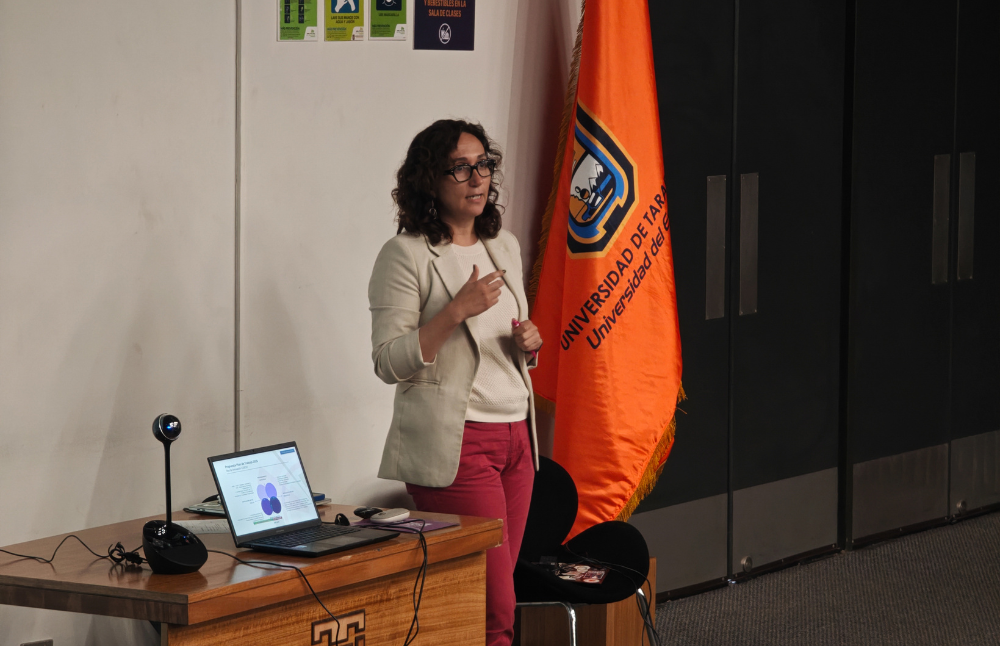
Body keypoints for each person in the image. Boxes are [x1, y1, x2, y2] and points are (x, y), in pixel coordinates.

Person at [368, 119, 543, 646]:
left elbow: (496, 345)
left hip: (517, 438)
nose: (478, 178)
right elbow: (388, 362)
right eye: (460, 168)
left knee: (494, 597)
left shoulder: (502, 245)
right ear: (430, 180)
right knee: (494, 609)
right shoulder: (405, 254)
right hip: (458, 445)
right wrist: (453, 312)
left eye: (483, 164)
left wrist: (527, 344)